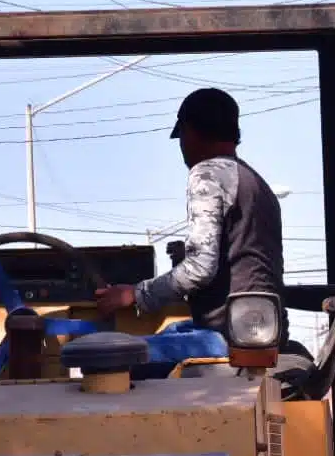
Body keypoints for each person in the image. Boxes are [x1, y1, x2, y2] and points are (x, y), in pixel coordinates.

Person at [94, 87, 286, 356]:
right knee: (171, 332)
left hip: (227, 338)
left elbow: (200, 268)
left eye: (181, 136)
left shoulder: (207, 173)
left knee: (114, 355)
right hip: (259, 330)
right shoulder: (256, 183)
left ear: (189, 131)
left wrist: (135, 294)